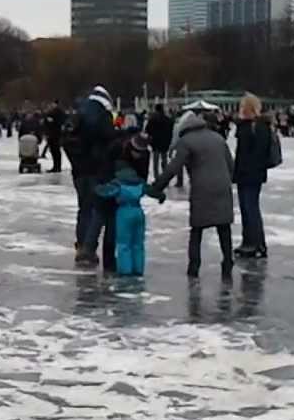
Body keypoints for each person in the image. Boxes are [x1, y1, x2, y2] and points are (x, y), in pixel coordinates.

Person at [146, 111, 235, 278]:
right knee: (224, 227)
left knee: (197, 229)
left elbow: (173, 167)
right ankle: (228, 261)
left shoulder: (186, 141)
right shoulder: (218, 138)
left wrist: (157, 187)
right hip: (223, 187)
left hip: (202, 189)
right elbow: (231, 166)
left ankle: (194, 266)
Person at [65, 86, 118, 268]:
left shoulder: (77, 115)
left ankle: (81, 245)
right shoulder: (102, 115)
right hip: (97, 170)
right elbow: (110, 139)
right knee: (98, 209)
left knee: (83, 208)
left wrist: (76, 162)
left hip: (79, 171)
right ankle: (89, 248)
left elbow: (67, 140)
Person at [94, 142, 152, 276]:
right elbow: (152, 191)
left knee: (123, 243)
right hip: (138, 212)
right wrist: (160, 195)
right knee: (138, 243)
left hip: (124, 213)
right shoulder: (139, 183)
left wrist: (96, 188)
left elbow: (104, 192)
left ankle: (125, 269)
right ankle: (138, 268)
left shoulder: (118, 184)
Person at [233, 95, 271, 259]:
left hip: (250, 174)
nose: (240, 109)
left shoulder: (257, 127)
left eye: (243, 106)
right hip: (246, 174)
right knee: (246, 209)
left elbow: (256, 153)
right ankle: (249, 242)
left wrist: (245, 169)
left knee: (250, 209)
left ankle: (256, 243)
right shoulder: (249, 126)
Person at [145, 104, 174, 178]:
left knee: (156, 161)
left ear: (156, 109)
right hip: (165, 142)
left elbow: (147, 130)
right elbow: (171, 131)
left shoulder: (152, 119)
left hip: (155, 143)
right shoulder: (168, 119)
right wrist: (169, 141)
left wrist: (150, 140)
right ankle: (165, 176)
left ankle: (156, 177)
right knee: (164, 160)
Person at [43, 100, 66, 173]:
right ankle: (55, 166)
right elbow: (46, 121)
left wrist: (53, 121)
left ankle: (57, 166)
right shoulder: (50, 112)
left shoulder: (59, 112)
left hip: (56, 134)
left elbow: (61, 121)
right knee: (53, 151)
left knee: (56, 151)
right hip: (51, 134)